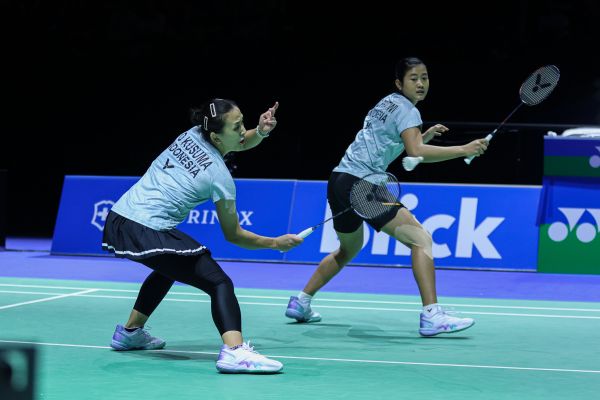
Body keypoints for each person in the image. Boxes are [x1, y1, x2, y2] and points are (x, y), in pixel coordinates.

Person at [285, 57, 488, 336]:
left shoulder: (387, 103)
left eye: (425, 77)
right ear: (399, 83)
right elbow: (416, 153)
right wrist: (464, 149)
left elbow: (393, 144)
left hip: (339, 180)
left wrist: (423, 137)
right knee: (421, 240)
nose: (420, 83)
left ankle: (301, 302)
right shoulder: (408, 110)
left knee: (348, 249)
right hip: (363, 184)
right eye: (413, 78)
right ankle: (432, 315)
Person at [102, 99, 303, 373]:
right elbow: (235, 235)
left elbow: (239, 142)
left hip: (121, 216)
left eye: (243, 122)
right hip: (147, 226)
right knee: (219, 283)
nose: (243, 129)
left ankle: (130, 333)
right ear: (216, 136)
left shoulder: (192, 133)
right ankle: (235, 352)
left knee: (167, 268)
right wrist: (275, 243)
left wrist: (260, 131)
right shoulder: (219, 177)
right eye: (237, 126)